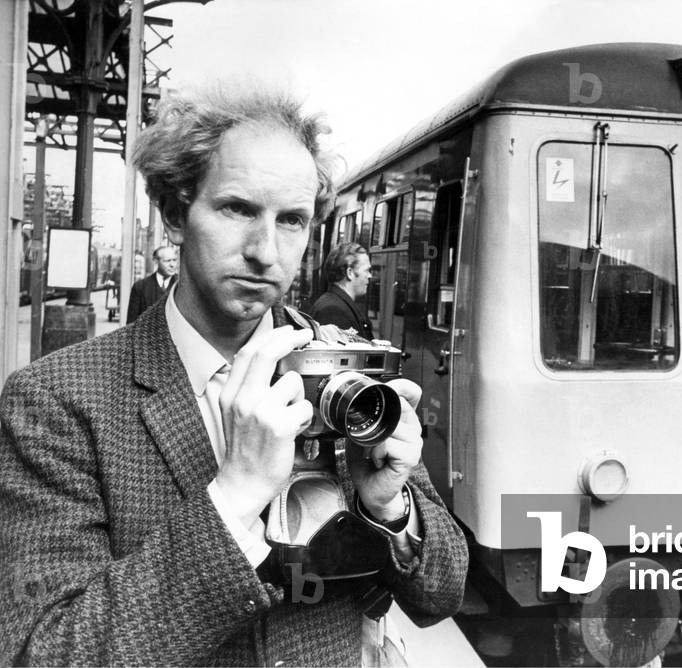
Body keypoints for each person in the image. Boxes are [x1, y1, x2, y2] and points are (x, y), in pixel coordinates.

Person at [0, 84, 467, 665]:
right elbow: (41, 652)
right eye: (238, 209)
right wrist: (233, 497)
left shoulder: (345, 372)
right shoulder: (59, 401)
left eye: (292, 220)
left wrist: (388, 507)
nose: (264, 251)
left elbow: (443, 594)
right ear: (175, 212)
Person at [312, 242, 375, 339]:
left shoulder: (334, 304)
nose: (370, 276)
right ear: (349, 273)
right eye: (366, 270)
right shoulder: (332, 311)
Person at [126, 245, 179, 323]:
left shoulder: (181, 285)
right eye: (167, 261)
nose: (172, 265)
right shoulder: (140, 287)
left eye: (174, 260)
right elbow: (131, 323)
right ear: (155, 261)